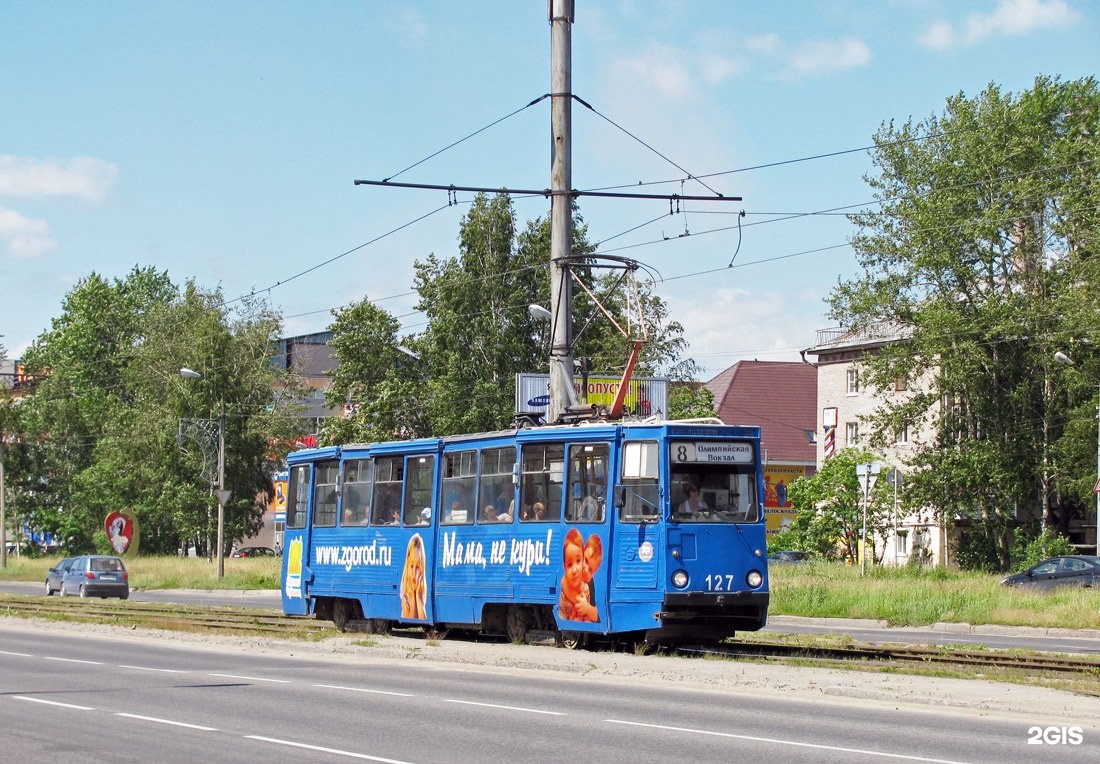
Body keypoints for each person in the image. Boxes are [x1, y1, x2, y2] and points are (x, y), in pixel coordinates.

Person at [558, 528, 601, 622]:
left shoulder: (589, 584)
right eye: (585, 560)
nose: (585, 569)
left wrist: (587, 609)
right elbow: (563, 582)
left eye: (590, 570)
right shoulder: (572, 576)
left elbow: (596, 615)